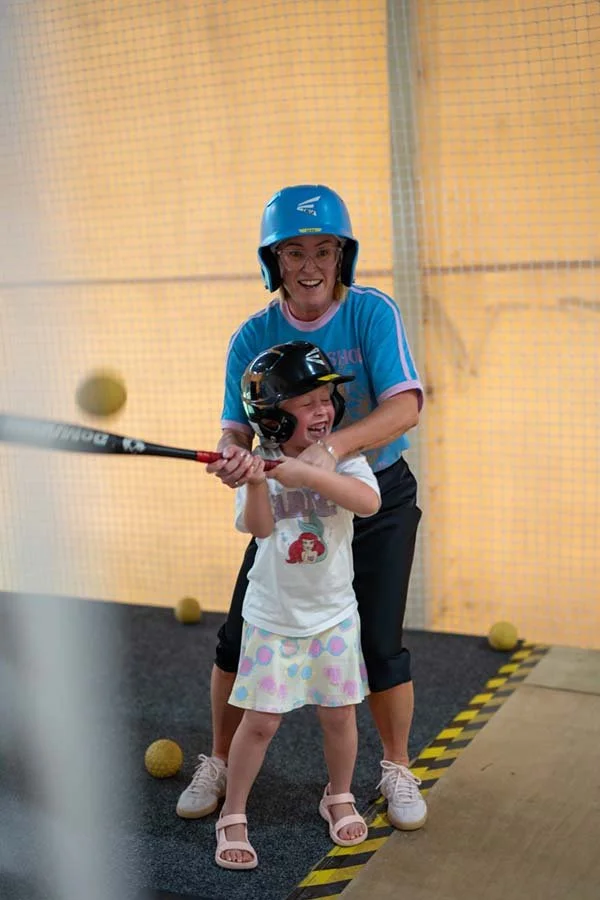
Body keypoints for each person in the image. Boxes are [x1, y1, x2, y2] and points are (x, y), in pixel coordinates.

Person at [176, 184, 427, 832]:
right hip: (284, 498)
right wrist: (235, 461)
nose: (310, 266)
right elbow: (234, 429)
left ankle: (396, 766)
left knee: (378, 642)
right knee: (237, 633)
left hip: (375, 489)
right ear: (274, 260)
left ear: (343, 254)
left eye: (323, 250)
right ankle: (222, 759)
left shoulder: (371, 311)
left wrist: (333, 449)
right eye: (294, 253)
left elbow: (406, 405)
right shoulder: (253, 334)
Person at [213, 340, 381, 869]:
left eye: (326, 400)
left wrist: (310, 472)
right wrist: (260, 481)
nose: (323, 410)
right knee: (260, 723)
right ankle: (232, 813)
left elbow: (369, 503)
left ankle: (338, 794)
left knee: (339, 716)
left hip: (333, 616)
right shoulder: (256, 465)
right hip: (272, 620)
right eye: (307, 403)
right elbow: (260, 529)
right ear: (274, 417)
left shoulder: (347, 461)